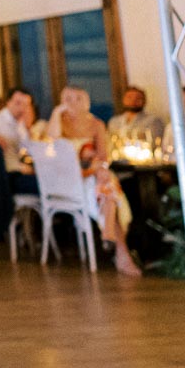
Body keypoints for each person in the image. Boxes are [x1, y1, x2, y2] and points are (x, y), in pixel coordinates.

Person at [47, 86, 142, 276]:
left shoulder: (96, 124)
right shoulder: (58, 124)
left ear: (86, 102)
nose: (72, 103)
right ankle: (118, 249)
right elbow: (53, 143)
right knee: (108, 191)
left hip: (93, 176)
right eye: (67, 99)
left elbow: (103, 157)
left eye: (77, 98)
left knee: (106, 185)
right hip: (69, 180)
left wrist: (99, 169)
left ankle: (110, 237)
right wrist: (57, 113)